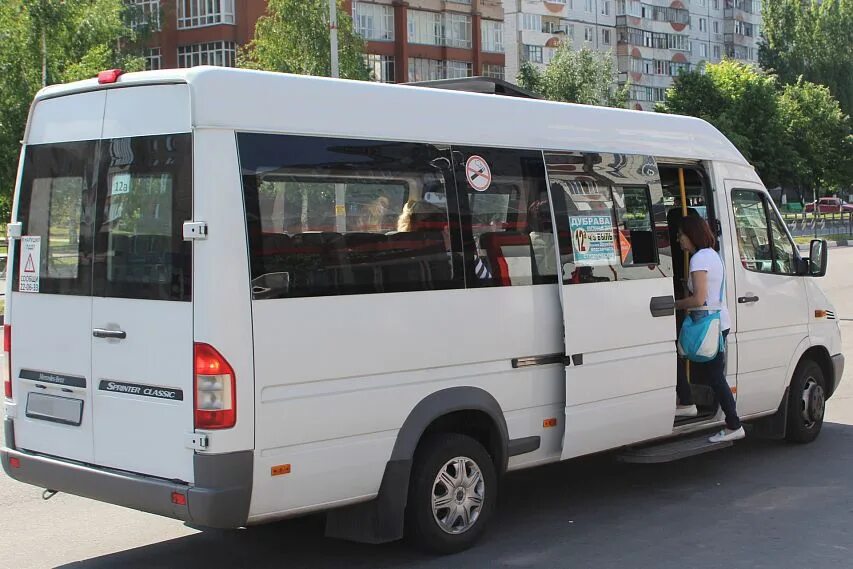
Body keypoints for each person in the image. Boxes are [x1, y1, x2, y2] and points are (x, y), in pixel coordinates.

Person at [674, 215, 745, 443]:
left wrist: (673, 304)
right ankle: (686, 402)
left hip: (708, 324)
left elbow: (698, 299)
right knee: (712, 374)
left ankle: (733, 424)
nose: (678, 240)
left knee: (715, 377)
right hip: (716, 322)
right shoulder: (712, 255)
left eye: (680, 235)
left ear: (691, 234)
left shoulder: (699, 259)